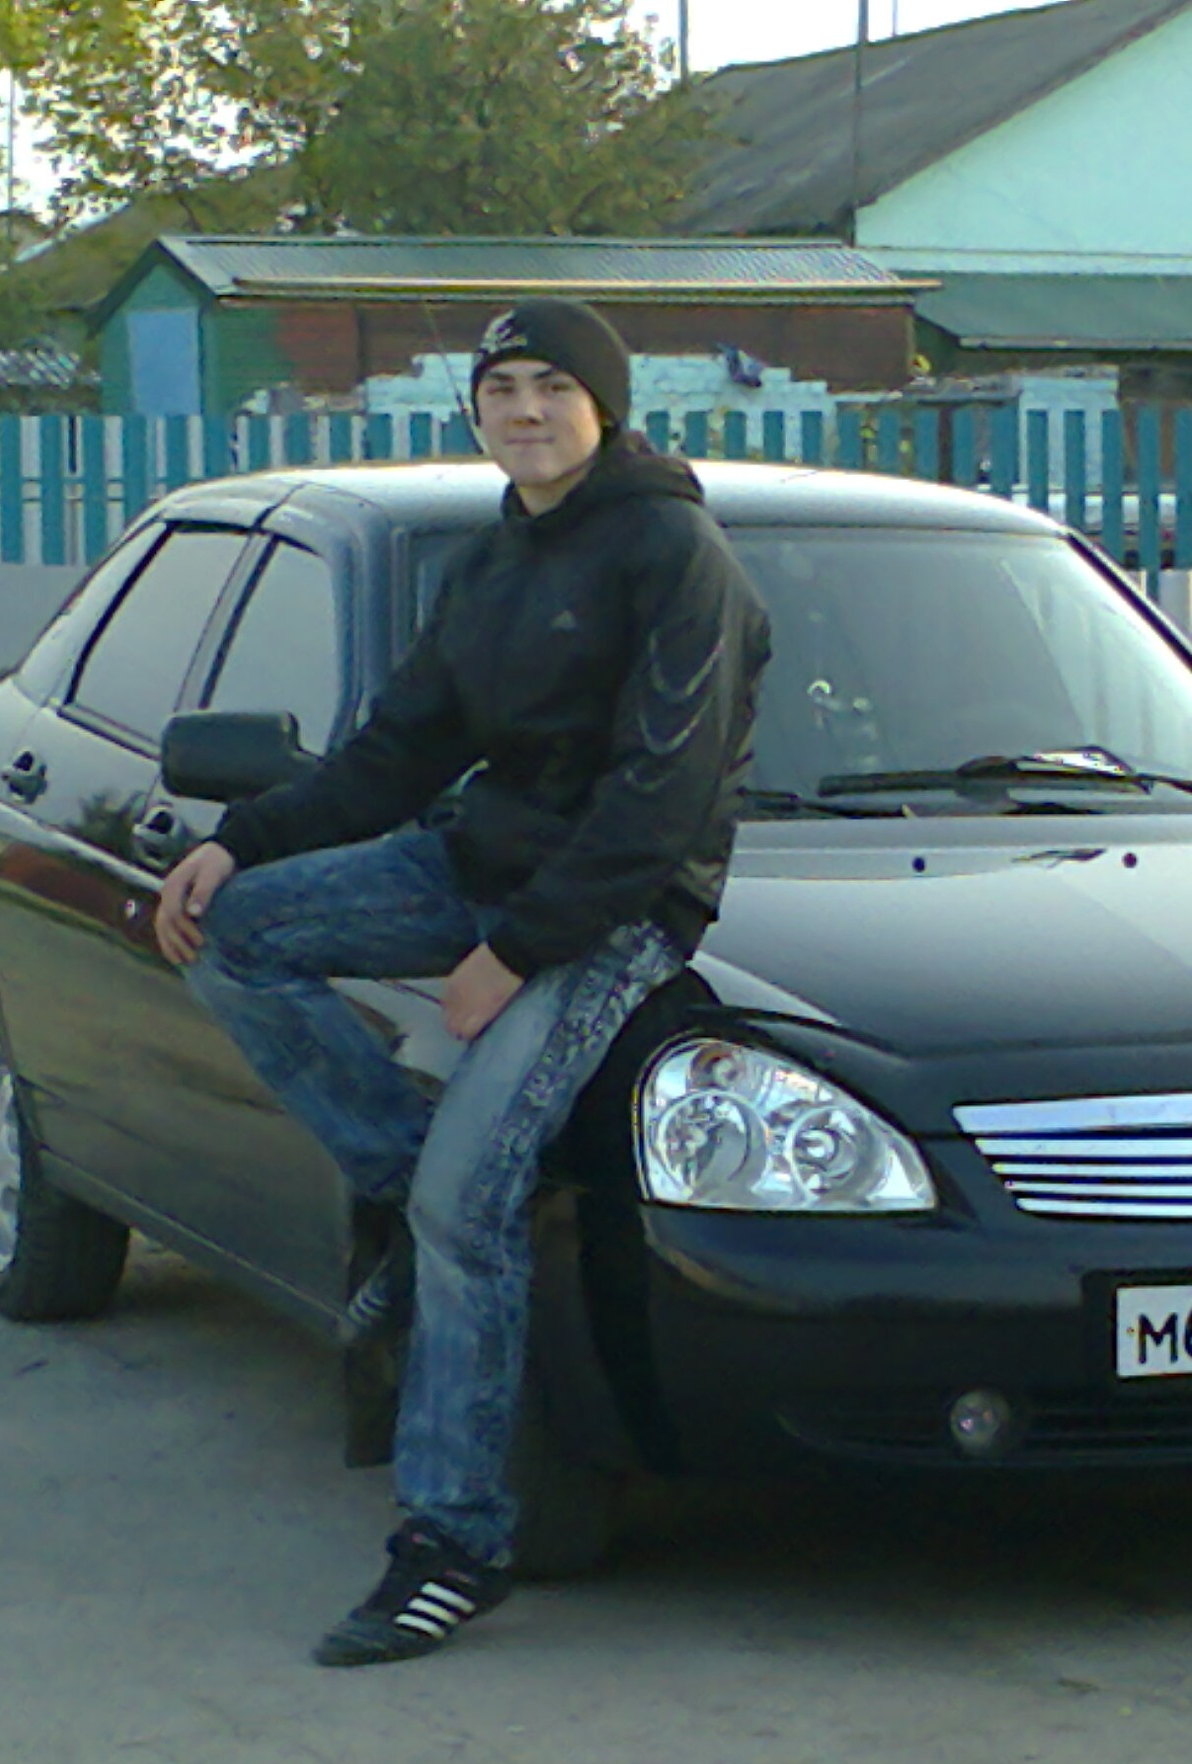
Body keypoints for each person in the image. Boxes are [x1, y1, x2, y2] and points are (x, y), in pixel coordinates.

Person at [151, 298, 770, 1666]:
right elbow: (399, 751)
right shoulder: (499, 558)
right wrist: (239, 841)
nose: (527, 411)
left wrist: (514, 953)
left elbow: (658, 803)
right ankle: (404, 1180)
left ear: (605, 405)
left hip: (611, 916)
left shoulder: (677, 556)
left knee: (466, 1208)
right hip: (476, 865)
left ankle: (455, 1541)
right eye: (502, 389)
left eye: (554, 386)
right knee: (237, 933)